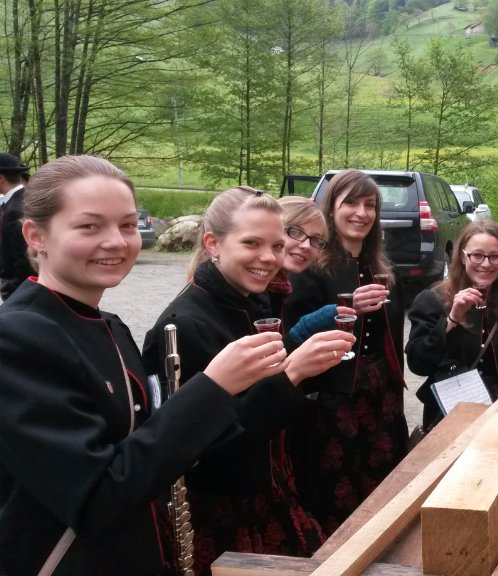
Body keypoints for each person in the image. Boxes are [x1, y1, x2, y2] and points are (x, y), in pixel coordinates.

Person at [0, 156, 291, 575]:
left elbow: (149, 448)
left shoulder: (108, 324)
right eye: (89, 226)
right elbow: (98, 496)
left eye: (128, 224)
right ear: (36, 236)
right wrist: (214, 386)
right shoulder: (17, 337)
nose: (116, 242)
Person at [142, 186, 355, 575]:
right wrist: (293, 372)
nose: (269, 258)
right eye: (252, 243)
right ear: (213, 243)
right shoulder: (183, 325)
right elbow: (206, 454)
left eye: (276, 245)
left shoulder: (251, 301)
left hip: (269, 491)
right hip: (223, 516)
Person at [284, 170, 408, 534]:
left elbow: (391, 339)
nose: (361, 213)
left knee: (384, 484)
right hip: (331, 398)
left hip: (380, 396)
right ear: (332, 208)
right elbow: (291, 336)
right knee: (335, 492)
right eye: (350, 203)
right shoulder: (311, 268)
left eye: (370, 205)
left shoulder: (383, 269)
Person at [407, 220, 498, 429]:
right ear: (462, 257)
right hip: (450, 419)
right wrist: (452, 319)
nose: (486, 264)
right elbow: (418, 364)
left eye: (494, 256)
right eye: (477, 255)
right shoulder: (432, 301)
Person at [266, 195, 329, 322]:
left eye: (315, 240)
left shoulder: (280, 290)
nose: (306, 246)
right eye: (295, 232)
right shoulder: (246, 289)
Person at [0, 152, 33, 300]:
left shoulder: (16, 210)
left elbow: (24, 259)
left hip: (20, 291)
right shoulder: (20, 200)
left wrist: (10, 289)